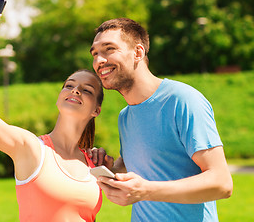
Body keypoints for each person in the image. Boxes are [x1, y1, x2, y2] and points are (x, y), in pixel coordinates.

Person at [0, 6, 104, 222]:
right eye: (69, 85)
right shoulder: (32, 149)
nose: (75, 90)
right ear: (59, 97)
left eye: (87, 90)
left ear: (96, 110)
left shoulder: (94, 163)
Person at [88, 18, 233, 221]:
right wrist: (110, 167)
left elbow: (222, 183)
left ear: (138, 53)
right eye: (95, 53)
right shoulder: (126, 116)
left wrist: (146, 190)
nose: (98, 61)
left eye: (109, 49)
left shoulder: (182, 100)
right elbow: (148, 166)